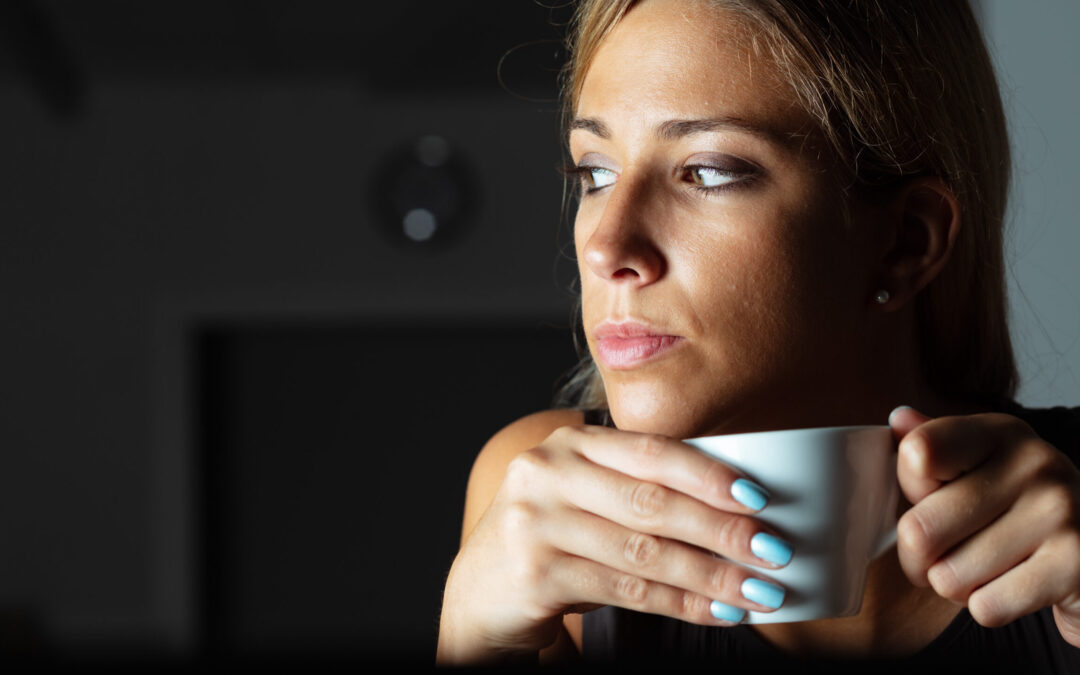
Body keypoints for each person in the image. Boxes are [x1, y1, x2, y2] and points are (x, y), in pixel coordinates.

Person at [437, 0, 1080, 667]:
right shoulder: (538, 502)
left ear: (905, 243)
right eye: (595, 173)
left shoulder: (1071, 522)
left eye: (707, 171)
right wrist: (470, 642)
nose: (607, 247)